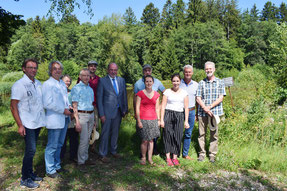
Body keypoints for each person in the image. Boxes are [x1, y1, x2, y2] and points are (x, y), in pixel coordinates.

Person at [10, 58, 46, 189]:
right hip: (27, 123)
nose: (33, 70)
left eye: (35, 67)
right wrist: (20, 125)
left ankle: (30, 173)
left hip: (36, 122)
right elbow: (13, 106)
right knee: (31, 150)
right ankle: (24, 178)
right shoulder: (19, 85)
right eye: (30, 67)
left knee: (32, 150)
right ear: (24, 69)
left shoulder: (37, 83)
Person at [42, 61, 71, 178]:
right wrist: (62, 110)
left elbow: (64, 99)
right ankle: (50, 169)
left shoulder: (62, 84)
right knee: (52, 145)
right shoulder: (47, 84)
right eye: (55, 69)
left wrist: (68, 106)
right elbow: (47, 103)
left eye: (59, 69)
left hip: (64, 118)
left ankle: (57, 165)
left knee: (60, 144)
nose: (57, 71)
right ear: (50, 70)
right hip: (54, 118)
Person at [97, 63, 128, 163]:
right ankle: (102, 153)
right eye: (111, 70)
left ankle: (113, 151)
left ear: (117, 70)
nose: (113, 72)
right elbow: (99, 98)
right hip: (106, 113)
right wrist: (101, 114)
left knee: (115, 133)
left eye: (115, 70)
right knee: (105, 134)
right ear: (108, 70)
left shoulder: (121, 80)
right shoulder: (102, 81)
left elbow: (124, 96)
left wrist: (125, 109)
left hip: (118, 112)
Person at [196, 61, 226, 163]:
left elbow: (221, 98)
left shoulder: (220, 82)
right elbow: (198, 98)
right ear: (205, 70)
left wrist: (209, 107)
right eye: (206, 69)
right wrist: (205, 108)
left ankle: (212, 154)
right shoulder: (201, 83)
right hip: (202, 113)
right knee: (201, 134)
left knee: (214, 134)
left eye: (210, 69)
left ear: (214, 69)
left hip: (215, 113)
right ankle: (201, 154)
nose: (208, 70)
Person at [133, 64, 165, 155]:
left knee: (153, 136)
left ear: (151, 71)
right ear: (143, 71)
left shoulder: (157, 82)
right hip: (142, 114)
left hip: (153, 114)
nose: (147, 72)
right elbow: (135, 99)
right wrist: (136, 112)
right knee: (143, 135)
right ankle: (143, 153)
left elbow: (164, 92)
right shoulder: (138, 84)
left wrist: (162, 105)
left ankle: (154, 150)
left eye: (149, 70)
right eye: (145, 70)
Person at [160, 74, 189, 166]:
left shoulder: (184, 93)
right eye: (174, 81)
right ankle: (168, 157)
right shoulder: (167, 92)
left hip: (179, 115)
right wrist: (161, 120)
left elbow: (186, 107)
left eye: (177, 81)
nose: (175, 83)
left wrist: (186, 121)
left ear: (180, 81)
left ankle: (175, 158)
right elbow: (163, 107)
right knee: (167, 135)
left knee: (178, 135)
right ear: (171, 82)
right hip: (168, 114)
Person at [71, 69, 96, 166]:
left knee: (88, 139)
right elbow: (74, 106)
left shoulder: (90, 89)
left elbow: (91, 104)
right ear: (80, 77)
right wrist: (77, 122)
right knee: (83, 140)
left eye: (88, 76)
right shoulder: (76, 88)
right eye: (84, 75)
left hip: (90, 114)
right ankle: (81, 162)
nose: (86, 77)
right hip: (82, 115)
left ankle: (85, 158)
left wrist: (93, 119)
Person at [135, 75, 161, 165]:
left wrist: (159, 120)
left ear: (153, 83)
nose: (149, 83)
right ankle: (143, 157)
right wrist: (138, 121)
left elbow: (157, 108)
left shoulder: (157, 94)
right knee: (144, 140)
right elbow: (137, 108)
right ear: (144, 82)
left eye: (150, 81)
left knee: (151, 140)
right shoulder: (140, 94)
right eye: (147, 81)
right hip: (143, 120)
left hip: (153, 120)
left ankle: (150, 158)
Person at [179, 65, 198, 160]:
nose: (188, 73)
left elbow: (198, 100)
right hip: (179, 111)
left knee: (188, 133)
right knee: (177, 132)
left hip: (191, 111)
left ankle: (185, 154)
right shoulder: (179, 83)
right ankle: (175, 152)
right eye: (186, 72)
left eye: (189, 72)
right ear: (183, 72)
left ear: (192, 73)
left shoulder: (196, 85)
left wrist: (197, 114)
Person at [60, 75, 79, 163]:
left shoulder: (71, 92)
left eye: (69, 81)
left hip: (72, 118)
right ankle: (61, 157)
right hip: (62, 118)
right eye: (65, 81)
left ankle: (73, 156)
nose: (68, 83)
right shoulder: (59, 92)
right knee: (62, 139)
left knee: (74, 138)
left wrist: (73, 114)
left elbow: (75, 104)